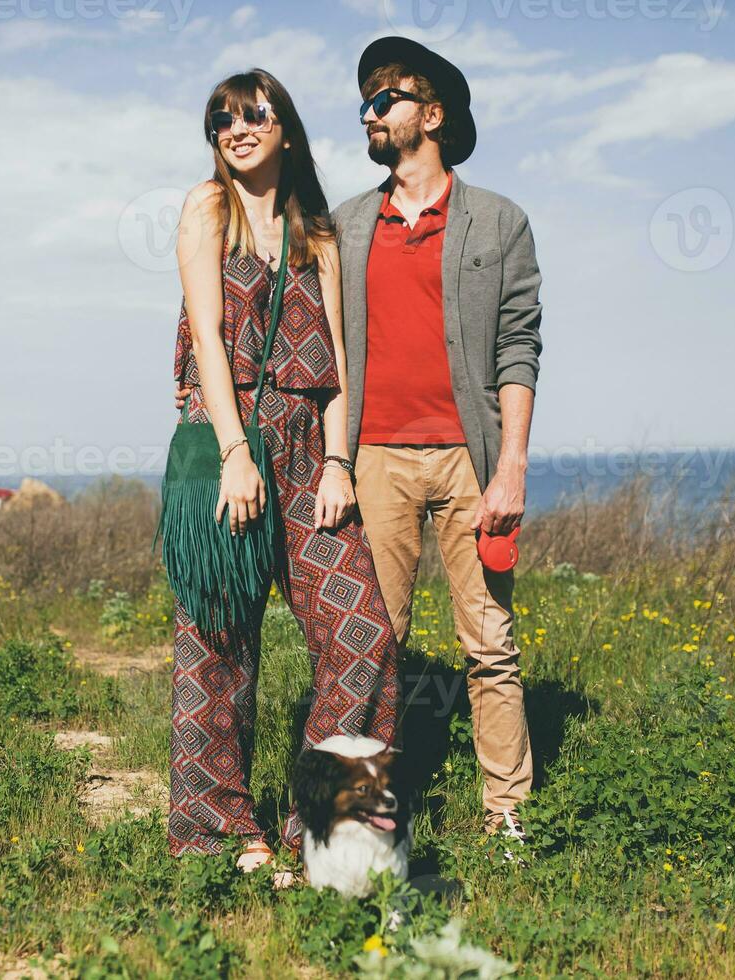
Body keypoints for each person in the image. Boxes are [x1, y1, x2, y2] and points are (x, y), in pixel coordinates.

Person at [178, 37, 546, 844]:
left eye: (388, 99)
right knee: (302, 642)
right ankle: (288, 825)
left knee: (441, 642)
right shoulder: (328, 221)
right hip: (309, 455)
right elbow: (238, 339)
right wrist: (256, 453)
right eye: (366, 103)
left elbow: (517, 343)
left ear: (434, 114)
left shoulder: (486, 221)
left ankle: (466, 817)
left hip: (428, 458)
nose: (372, 112)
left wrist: (510, 463)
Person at [166, 68, 401, 872]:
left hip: (309, 452)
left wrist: (340, 461)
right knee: (218, 642)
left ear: (287, 130)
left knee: (361, 633)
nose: (237, 130)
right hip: (225, 443)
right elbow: (205, 338)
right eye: (221, 120)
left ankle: (334, 827)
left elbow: (338, 361)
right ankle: (218, 830)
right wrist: (235, 452)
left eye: (254, 116)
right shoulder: (207, 209)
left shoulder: (320, 235)